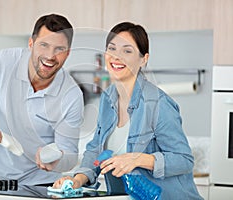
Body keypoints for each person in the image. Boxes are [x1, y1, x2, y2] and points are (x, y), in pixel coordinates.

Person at [53, 22, 203, 199]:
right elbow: (96, 150)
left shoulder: (158, 103)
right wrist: (77, 179)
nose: (117, 57)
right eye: (112, 48)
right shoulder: (108, 98)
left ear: (143, 59)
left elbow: (184, 160)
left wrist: (138, 159)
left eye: (127, 51)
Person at [0, 14, 84, 185]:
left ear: (68, 53)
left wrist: (56, 160)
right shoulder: (2, 63)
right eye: (44, 45)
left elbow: (70, 155)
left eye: (59, 49)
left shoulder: (71, 95)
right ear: (31, 44)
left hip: (41, 185)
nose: (50, 56)